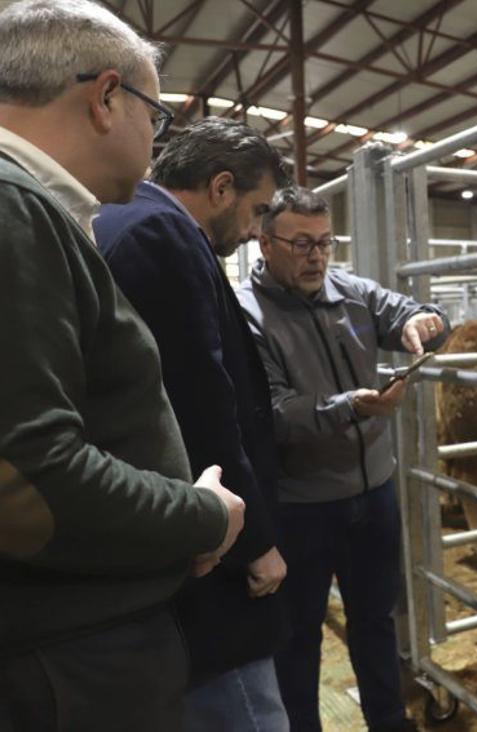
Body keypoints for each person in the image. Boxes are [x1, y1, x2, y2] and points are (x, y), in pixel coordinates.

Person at [0, 1, 245, 730]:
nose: (155, 138)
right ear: (107, 98)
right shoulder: (15, 209)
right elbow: (27, 477)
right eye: (156, 115)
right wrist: (197, 518)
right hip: (69, 662)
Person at [93, 117, 291, 731]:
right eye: (257, 210)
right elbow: (200, 403)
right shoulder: (160, 234)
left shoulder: (121, 221)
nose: (256, 229)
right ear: (222, 186)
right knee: (242, 707)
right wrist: (253, 541)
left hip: (161, 529)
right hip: (204, 538)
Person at [238, 187, 449, 732]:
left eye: (325, 243)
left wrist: (422, 323)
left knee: (376, 622)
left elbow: (417, 312)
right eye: (302, 243)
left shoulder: (351, 292)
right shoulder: (247, 314)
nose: (317, 256)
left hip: (373, 492)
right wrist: (350, 407)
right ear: (265, 242)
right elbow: (274, 414)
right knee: (299, 636)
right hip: (301, 505)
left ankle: (388, 722)